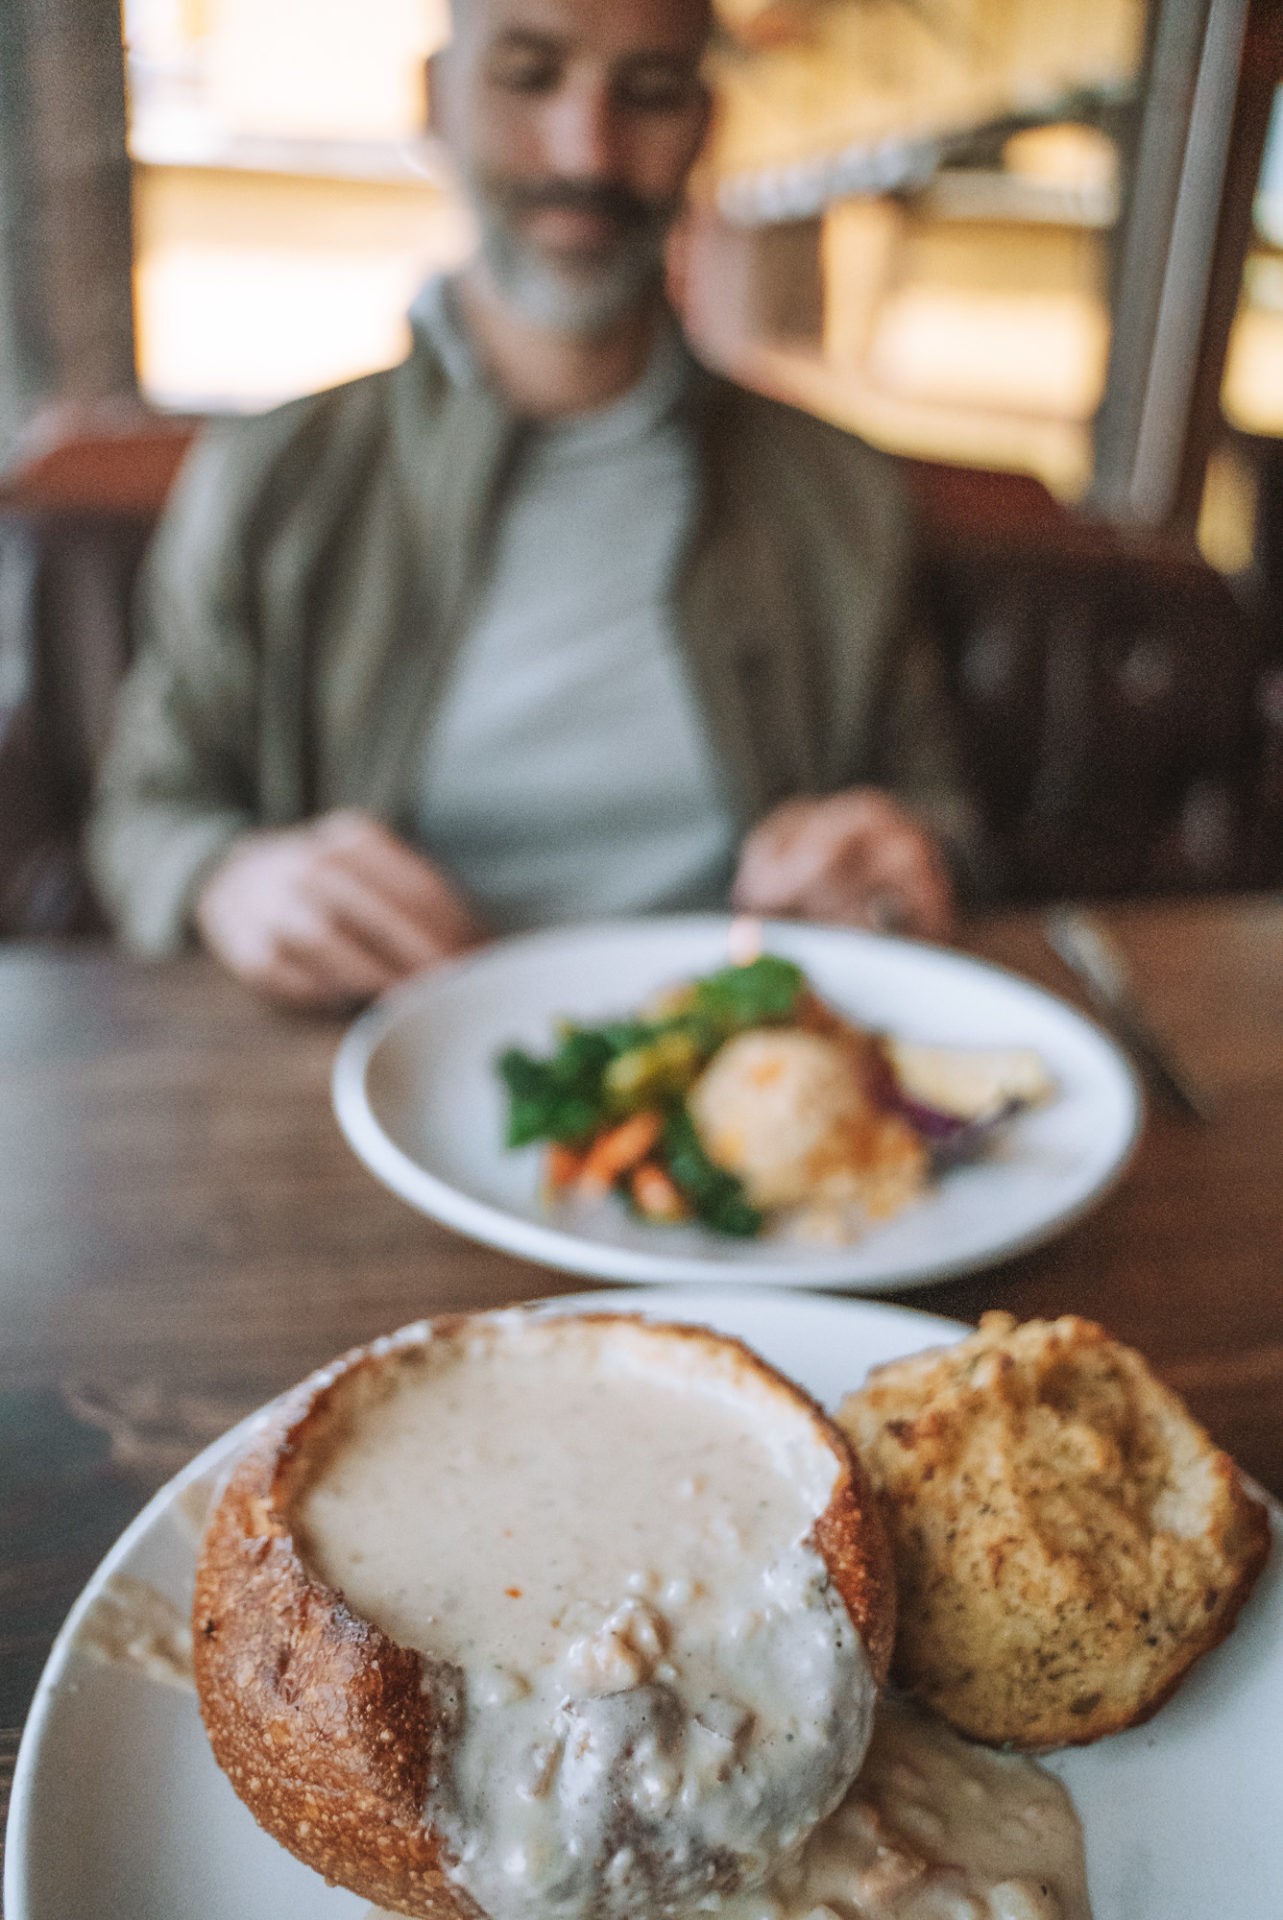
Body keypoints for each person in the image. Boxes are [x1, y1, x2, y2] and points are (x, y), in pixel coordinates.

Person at [89, 0, 972, 1011]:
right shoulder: (271, 477)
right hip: (367, 1054)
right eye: (526, 74)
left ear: (704, 128)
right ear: (434, 102)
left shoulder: (840, 499)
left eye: (646, 92)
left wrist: (899, 863)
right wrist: (226, 878)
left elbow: (932, 815)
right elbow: (144, 814)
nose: (584, 150)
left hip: (733, 1068)